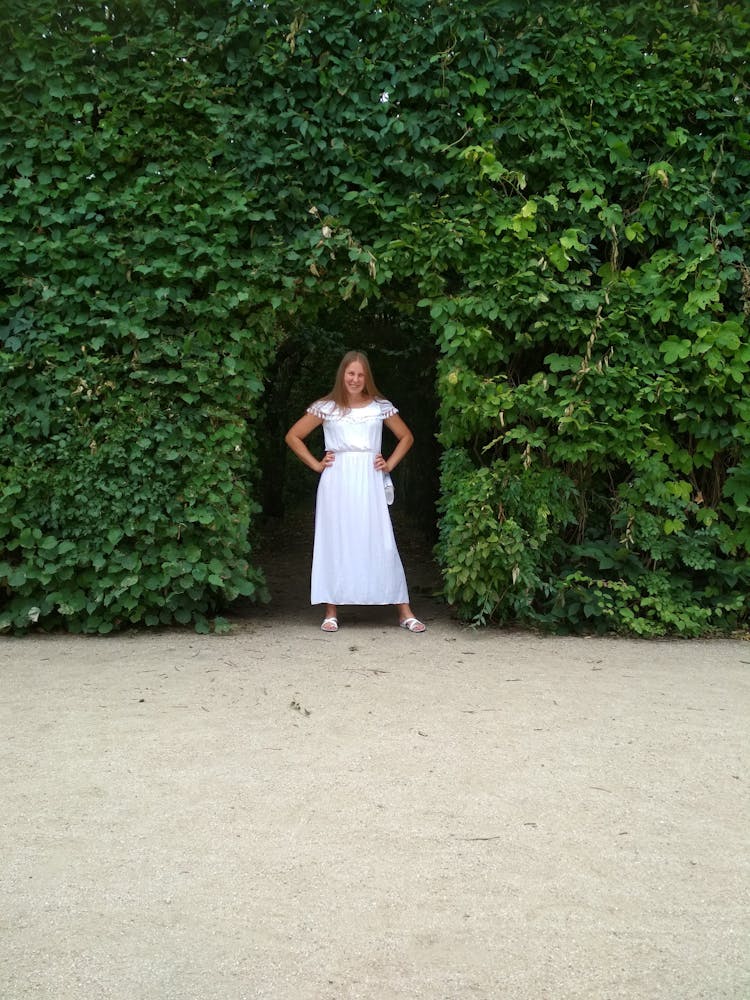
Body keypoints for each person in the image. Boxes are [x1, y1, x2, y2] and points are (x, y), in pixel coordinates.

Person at [285, 350, 426, 633]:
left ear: (367, 377)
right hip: (336, 480)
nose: (355, 379)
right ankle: (331, 610)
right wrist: (316, 464)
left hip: (369, 478)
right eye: (351, 373)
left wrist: (389, 463)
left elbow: (406, 436)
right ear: (342, 375)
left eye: (361, 375)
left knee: (381, 539)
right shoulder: (326, 407)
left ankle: (403, 610)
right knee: (335, 540)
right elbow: (293, 435)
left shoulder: (379, 406)